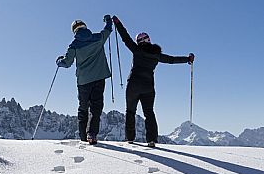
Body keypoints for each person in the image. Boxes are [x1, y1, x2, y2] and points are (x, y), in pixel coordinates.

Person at [112, 15, 195, 148]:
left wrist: (117, 23)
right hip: (148, 87)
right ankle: (151, 140)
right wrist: (187, 59)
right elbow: (172, 60)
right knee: (149, 112)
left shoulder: (136, 50)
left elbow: (125, 37)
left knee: (130, 111)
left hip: (133, 85)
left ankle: (130, 139)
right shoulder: (156, 55)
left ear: (139, 41)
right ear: (149, 40)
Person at [56, 16, 112, 144]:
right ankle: (92, 134)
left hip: (83, 81)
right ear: (85, 27)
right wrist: (108, 20)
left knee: (83, 108)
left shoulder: (74, 45)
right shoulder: (98, 38)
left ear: (74, 31)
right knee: (96, 108)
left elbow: (67, 63)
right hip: (99, 78)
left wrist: (59, 61)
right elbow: (108, 30)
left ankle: (82, 137)